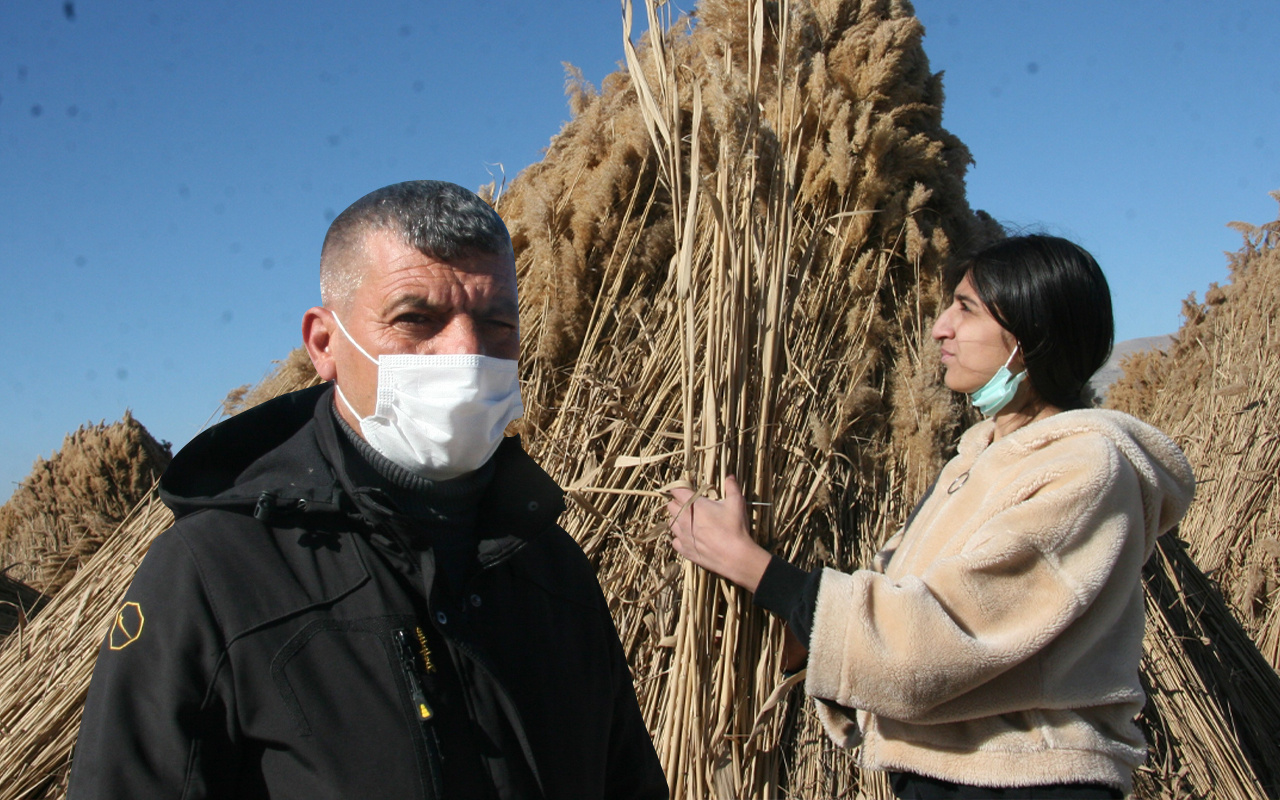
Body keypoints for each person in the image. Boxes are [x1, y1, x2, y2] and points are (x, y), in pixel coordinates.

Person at [68, 180, 668, 800]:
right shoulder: (216, 574)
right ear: (325, 344)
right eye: (416, 318)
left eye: (496, 322)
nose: (466, 352)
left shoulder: (554, 569)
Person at [665, 235, 1194, 798]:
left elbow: (938, 638)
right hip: (949, 777)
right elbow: (901, 599)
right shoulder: (977, 458)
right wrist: (797, 632)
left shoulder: (1084, 469)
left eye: (966, 309)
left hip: (1028, 782)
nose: (940, 327)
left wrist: (752, 567)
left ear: (1030, 336)